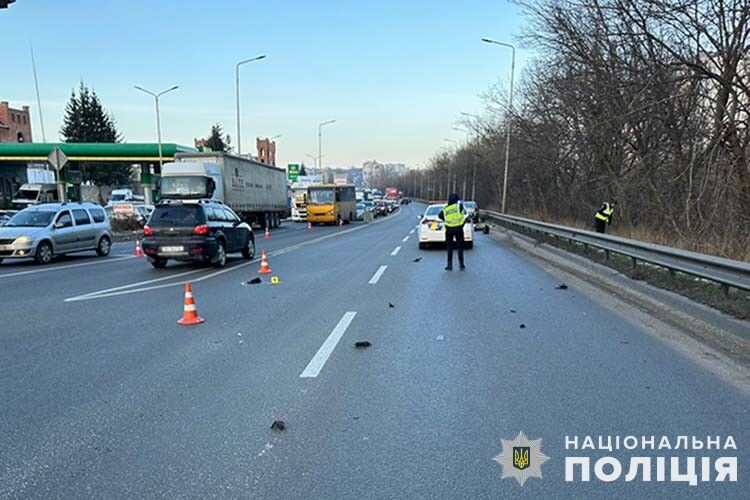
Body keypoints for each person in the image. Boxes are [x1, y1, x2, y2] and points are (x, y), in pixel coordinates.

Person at [438, 193, 467, 271]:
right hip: (459, 229)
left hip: (449, 230)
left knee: (449, 248)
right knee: (460, 247)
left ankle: (449, 265)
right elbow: (464, 212)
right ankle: (461, 264)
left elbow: (439, 216)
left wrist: (446, 220)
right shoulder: (459, 206)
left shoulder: (445, 209)